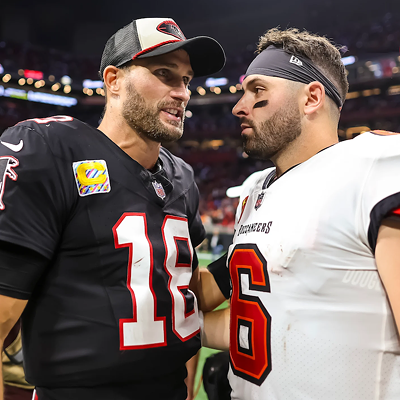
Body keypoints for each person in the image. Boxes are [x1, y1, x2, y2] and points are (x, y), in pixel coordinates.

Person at [0, 17, 225, 400]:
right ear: (113, 80)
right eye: (164, 73)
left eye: (186, 80)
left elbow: (179, 296)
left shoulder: (182, 176)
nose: (182, 92)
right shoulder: (50, 149)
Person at [201, 27, 400, 399]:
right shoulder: (257, 189)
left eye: (257, 90)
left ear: (311, 98)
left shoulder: (374, 168)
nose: (238, 106)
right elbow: (266, 318)